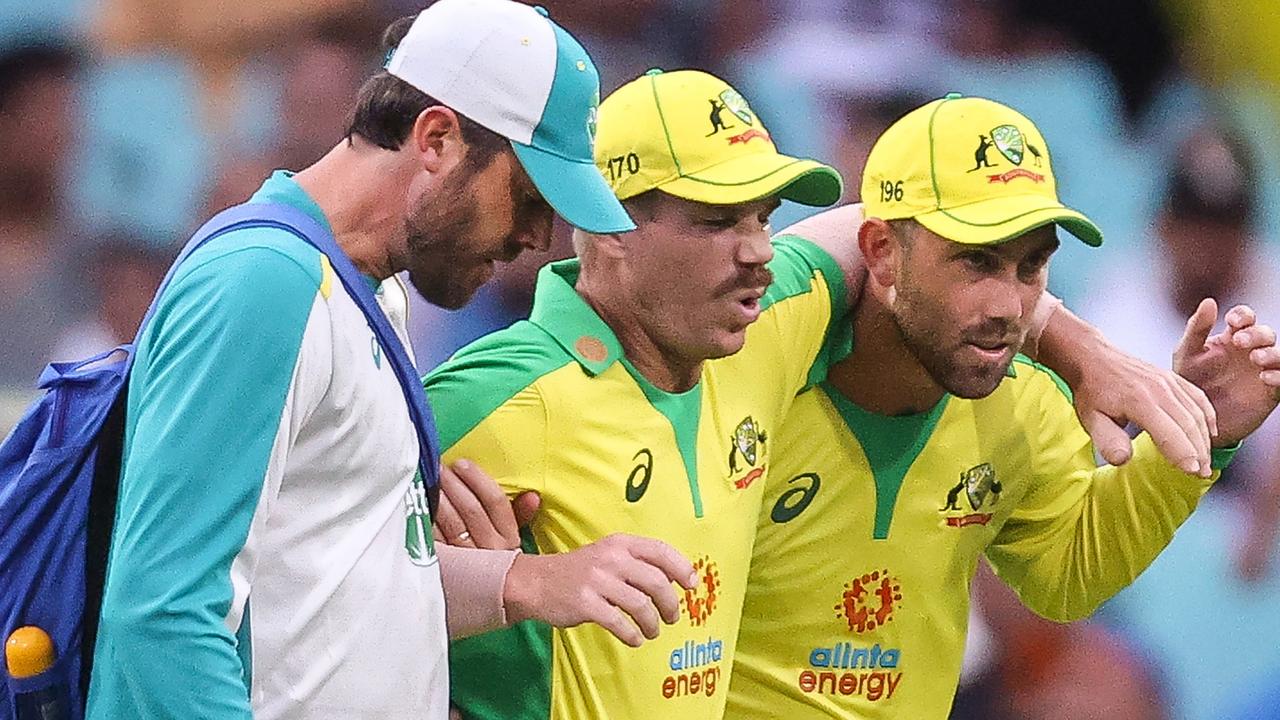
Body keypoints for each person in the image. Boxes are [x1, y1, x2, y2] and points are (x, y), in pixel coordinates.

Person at [425, 73, 1221, 720]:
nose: (756, 253)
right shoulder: (501, 397)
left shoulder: (752, 344)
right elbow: (314, 588)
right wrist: (502, 588)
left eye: (764, 217)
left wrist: (1088, 353)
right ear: (604, 227)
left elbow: (860, 235)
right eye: (714, 220)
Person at [85, 3, 697, 719]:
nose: (537, 237)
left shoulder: (368, 291)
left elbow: (339, 588)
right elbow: (162, 618)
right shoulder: (267, 283)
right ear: (436, 138)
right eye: (529, 198)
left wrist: (522, 582)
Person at [726, 95, 1280, 719]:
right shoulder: (763, 362)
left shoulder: (1024, 403)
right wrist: (1078, 341)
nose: (1009, 307)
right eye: (975, 261)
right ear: (880, 253)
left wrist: (1203, 433)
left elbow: (1070, 572)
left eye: (1031, 267)